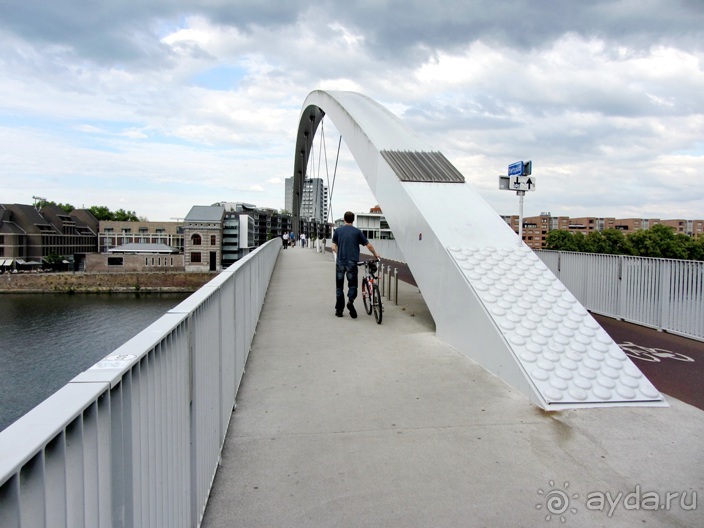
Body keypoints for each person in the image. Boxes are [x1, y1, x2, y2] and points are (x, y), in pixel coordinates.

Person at [332, 211, 380, 318]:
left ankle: (339, 310)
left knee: (339, 287)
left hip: (340, 261)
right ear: (353, 220)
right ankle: (350, 301)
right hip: (352, 262)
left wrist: (339, 254)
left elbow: (333, 247)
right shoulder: (357, 232)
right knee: (352, 285)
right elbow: (369, 246)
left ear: (344, 219)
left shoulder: (338, 231)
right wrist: (376, 254)